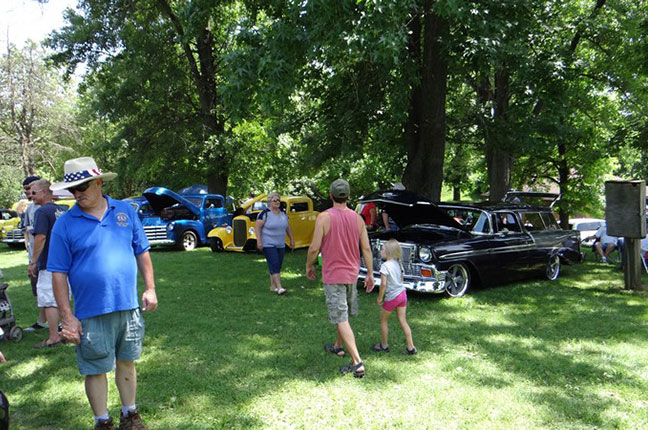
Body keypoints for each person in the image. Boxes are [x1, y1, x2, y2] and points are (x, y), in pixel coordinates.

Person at [48, 157, 158, 430]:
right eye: (73, 190)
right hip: (90, 311)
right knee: (95, 368)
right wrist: (67, 317)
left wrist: (151, 288)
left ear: (98, 182)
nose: (78, 194)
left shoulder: (125, 211)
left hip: (127, 305)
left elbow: (141, 251)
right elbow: (58, 273)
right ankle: (102, 422)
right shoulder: (64, 224)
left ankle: (130, 416)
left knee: (127, 361)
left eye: (83, 187)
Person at [306, 179, 374, 378]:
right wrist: (370, 273)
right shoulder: (358, 219)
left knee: (341, 317)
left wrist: (309, 265)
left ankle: (357, 362)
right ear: (348, 197)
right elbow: (367, 248)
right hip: (352, 274)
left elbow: (313, 248)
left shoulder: (324, 217)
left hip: (334, 275)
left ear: (330, 196)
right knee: (341, 313)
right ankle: (338, 346)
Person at [28, 179, 68, 349]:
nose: (30, 196)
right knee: (63, 298)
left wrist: (34, 261)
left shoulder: (42, 212)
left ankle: (53, 337)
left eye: (34, 192)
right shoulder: (61, 210)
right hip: (65, 262)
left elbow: (40, 237)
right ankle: (66, 331)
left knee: (48, 300)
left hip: (48, 263)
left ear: (45, 192)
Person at [372, 239, 417, 355]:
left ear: (388, 252)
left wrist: (380, 298)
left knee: (383, 320)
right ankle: (411, 347)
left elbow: (383, 284)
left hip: (392, 297)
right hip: (402, 294)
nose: (380, 251)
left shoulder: (385, 266)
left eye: (382, 249)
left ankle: (384, 345)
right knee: (403, 320)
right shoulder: (398, 263)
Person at [21, 175, 48, 333]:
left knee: (50, 289)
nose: (29, 193)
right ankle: (42, 319)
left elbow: (42, 235)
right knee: (38, 289)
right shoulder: (30, 208)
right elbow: (28, 230)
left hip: (45, 257)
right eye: (26, 190)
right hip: (33, 254)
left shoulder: (45, 208)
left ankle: (57, 321)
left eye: (31, 189)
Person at [256, 192, 295, 295]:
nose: (277, 202)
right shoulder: (264, 214)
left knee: (277, 265)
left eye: (278, 200)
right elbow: (257, 227)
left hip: (280, 244)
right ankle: (279, 287)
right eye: (274, 200)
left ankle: (272, 286)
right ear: (269, 202)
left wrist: (291, 239)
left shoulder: (283, 214)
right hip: (268, 244)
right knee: (274, 263)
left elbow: (287, 227)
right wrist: (259, 241)